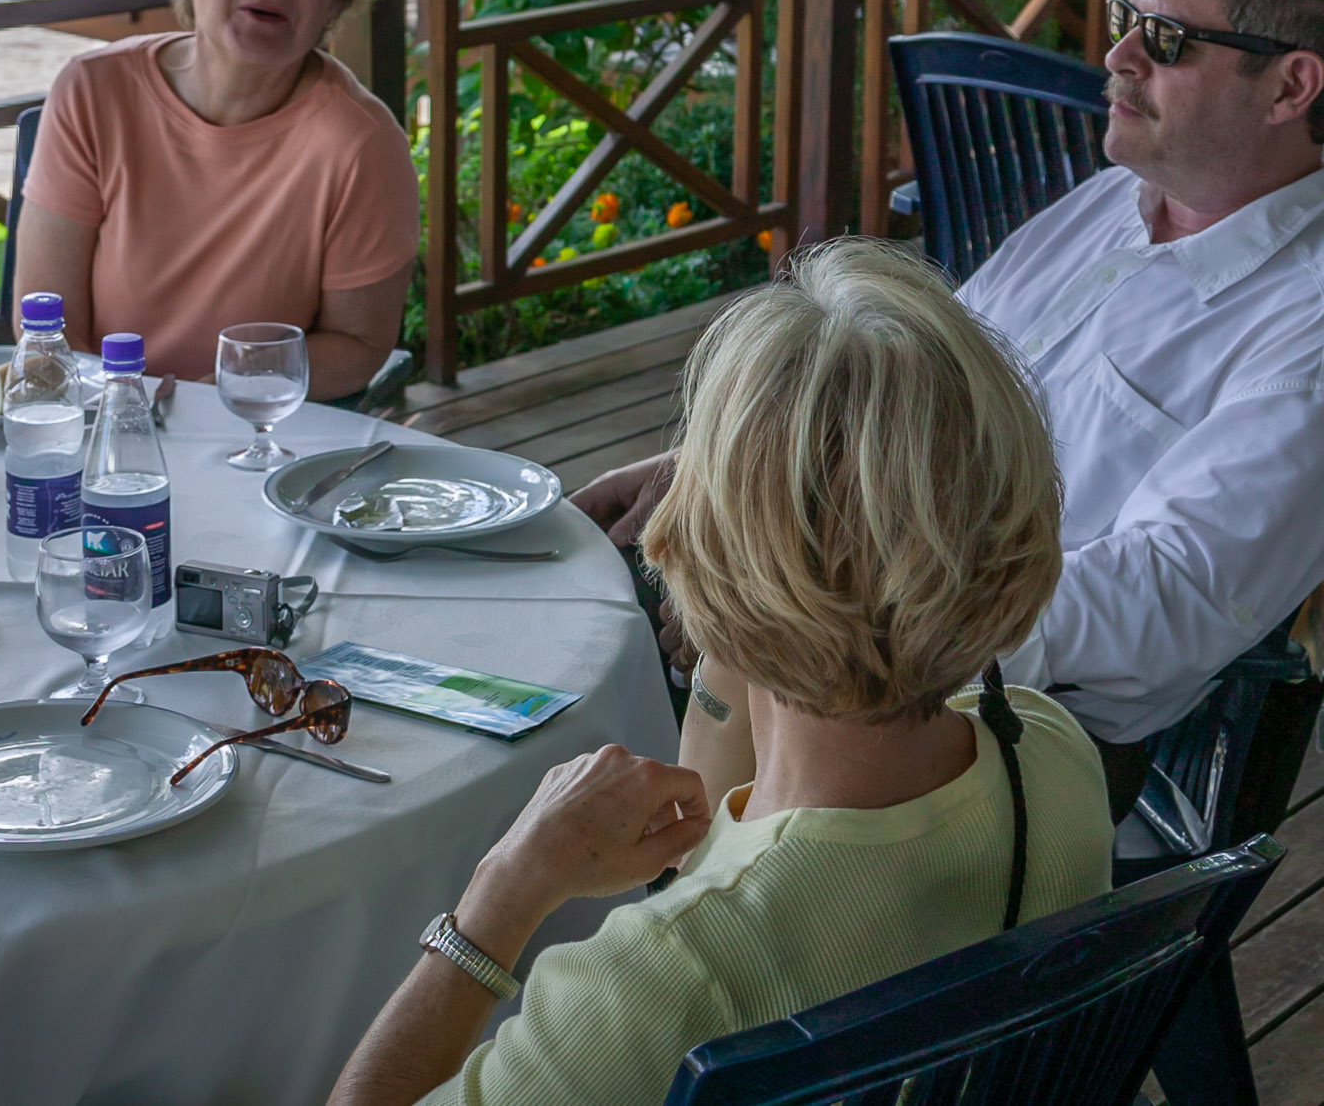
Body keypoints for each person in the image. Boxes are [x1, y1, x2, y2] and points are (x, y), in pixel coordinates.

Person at [580, 0, 1324, 815]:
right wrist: (724, 467)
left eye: (1165, 38)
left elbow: (1147, 608)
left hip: (997, 749)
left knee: (582, 754)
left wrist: (812, 606)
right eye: (1126, 17)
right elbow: (910, 386)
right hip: (856, 633)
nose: (1114, 57)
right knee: (560, 633)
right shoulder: (1118, 203)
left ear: (1290, 85)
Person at [327, 241, 1112, 1106]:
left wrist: (503, 890)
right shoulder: (1048, 753)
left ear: (708, 550)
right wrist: (740, 596)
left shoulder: (663, 979)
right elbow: (711, 819)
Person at [14, 0, 418, 391]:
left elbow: (359, 345)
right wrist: (122, 420)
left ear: (335, 2)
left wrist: (207, 402)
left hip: (256, 438)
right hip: (97, 426)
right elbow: (47, 325)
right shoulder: (93, 92)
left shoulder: (361, 144)